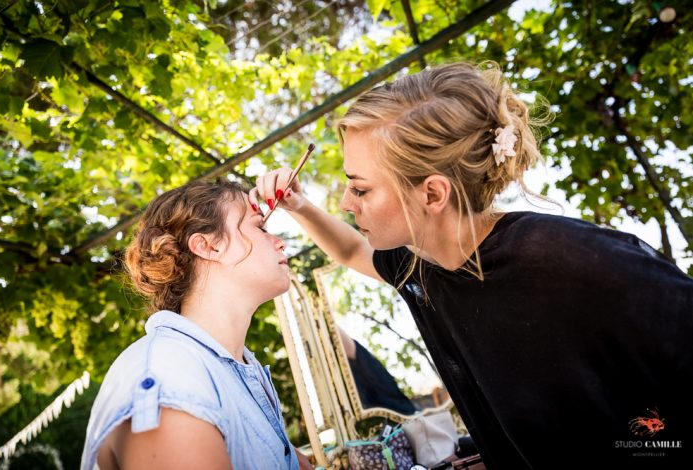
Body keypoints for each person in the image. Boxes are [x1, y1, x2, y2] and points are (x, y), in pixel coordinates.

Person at [250, 62, 693, 469]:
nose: (347, 203)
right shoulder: (421, 267)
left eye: (361, 190)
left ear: (433, 194)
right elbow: (350, 253)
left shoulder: (571, 259)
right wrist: (300, 207)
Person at [81, 181, 312, 470]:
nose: (279, 241)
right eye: (260, 228)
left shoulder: (227, 371)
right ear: (207, 246)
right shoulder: (171, 378)